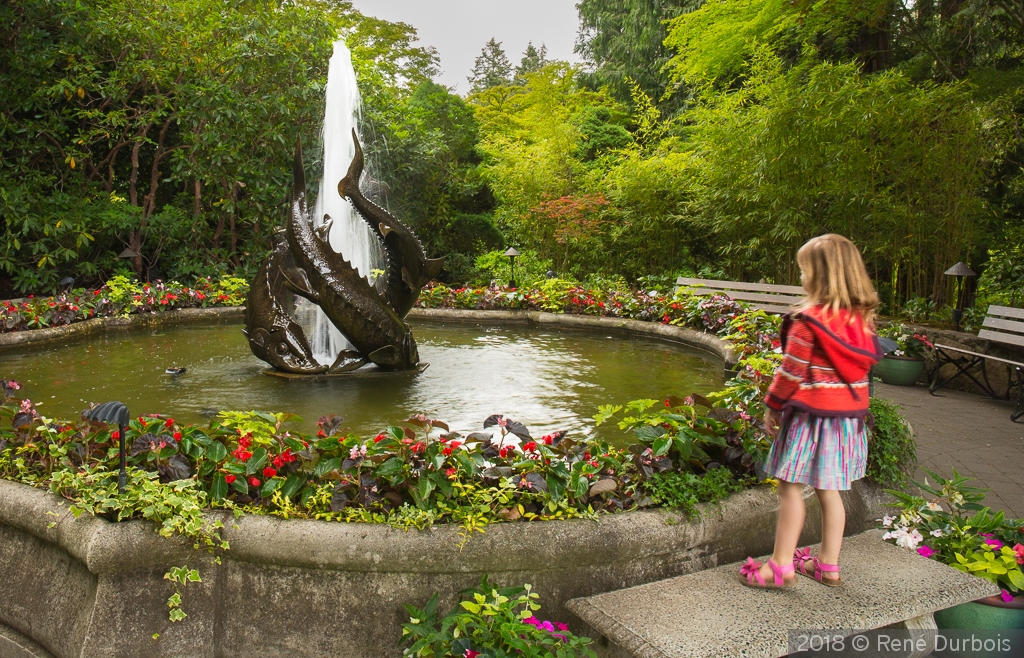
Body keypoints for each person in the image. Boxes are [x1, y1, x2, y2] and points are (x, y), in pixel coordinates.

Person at [739, 234, 882, 589]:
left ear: (819, 276)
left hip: (810, 419)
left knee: (789, 488)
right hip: (848, 422)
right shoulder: (861, 323)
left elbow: (791, 372)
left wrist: (772, 405)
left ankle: (779, 567)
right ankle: (828, 566)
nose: (802, 277)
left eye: (804, 270)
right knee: (831, 491)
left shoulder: (808, 320)